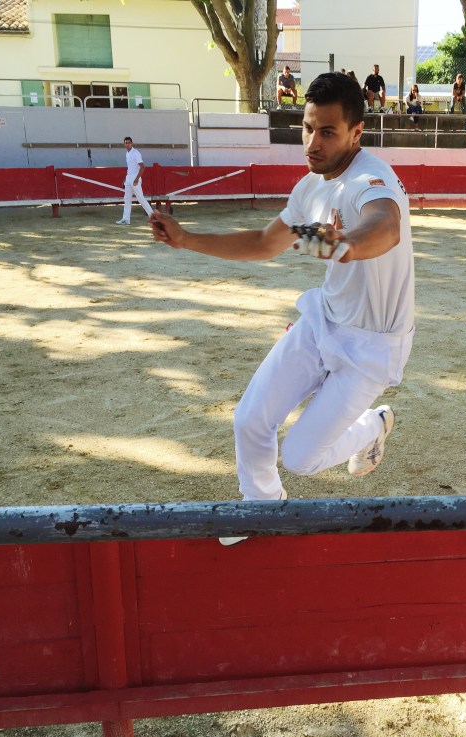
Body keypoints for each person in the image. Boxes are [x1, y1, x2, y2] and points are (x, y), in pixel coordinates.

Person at [147, 72, 414, 545]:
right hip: (323, 320)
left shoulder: (371, 179)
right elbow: (265, 242)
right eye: (308, 128)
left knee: (302, 458)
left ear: (357, 133)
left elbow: (384, 227)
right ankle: (263, 510)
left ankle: (373, 426)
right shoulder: (310, 187)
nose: (312, 142)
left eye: (327, 132)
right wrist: (186, 239)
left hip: (373, 345)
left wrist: (342, 245)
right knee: (250, 418)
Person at [116, 136, 153, 226]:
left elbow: (142, 166)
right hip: (129, 178)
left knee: (140, 198)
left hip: (135, 178)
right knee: (127, 198)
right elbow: (130, 168)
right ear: (124, 144)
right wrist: (126, 179)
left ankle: (154, 217)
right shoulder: (127, 154)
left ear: (132, 143)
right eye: (126, 143)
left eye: (129, 142)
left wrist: (136, 179)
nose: (127, 144)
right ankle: (126, 219)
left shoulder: (135, 153)